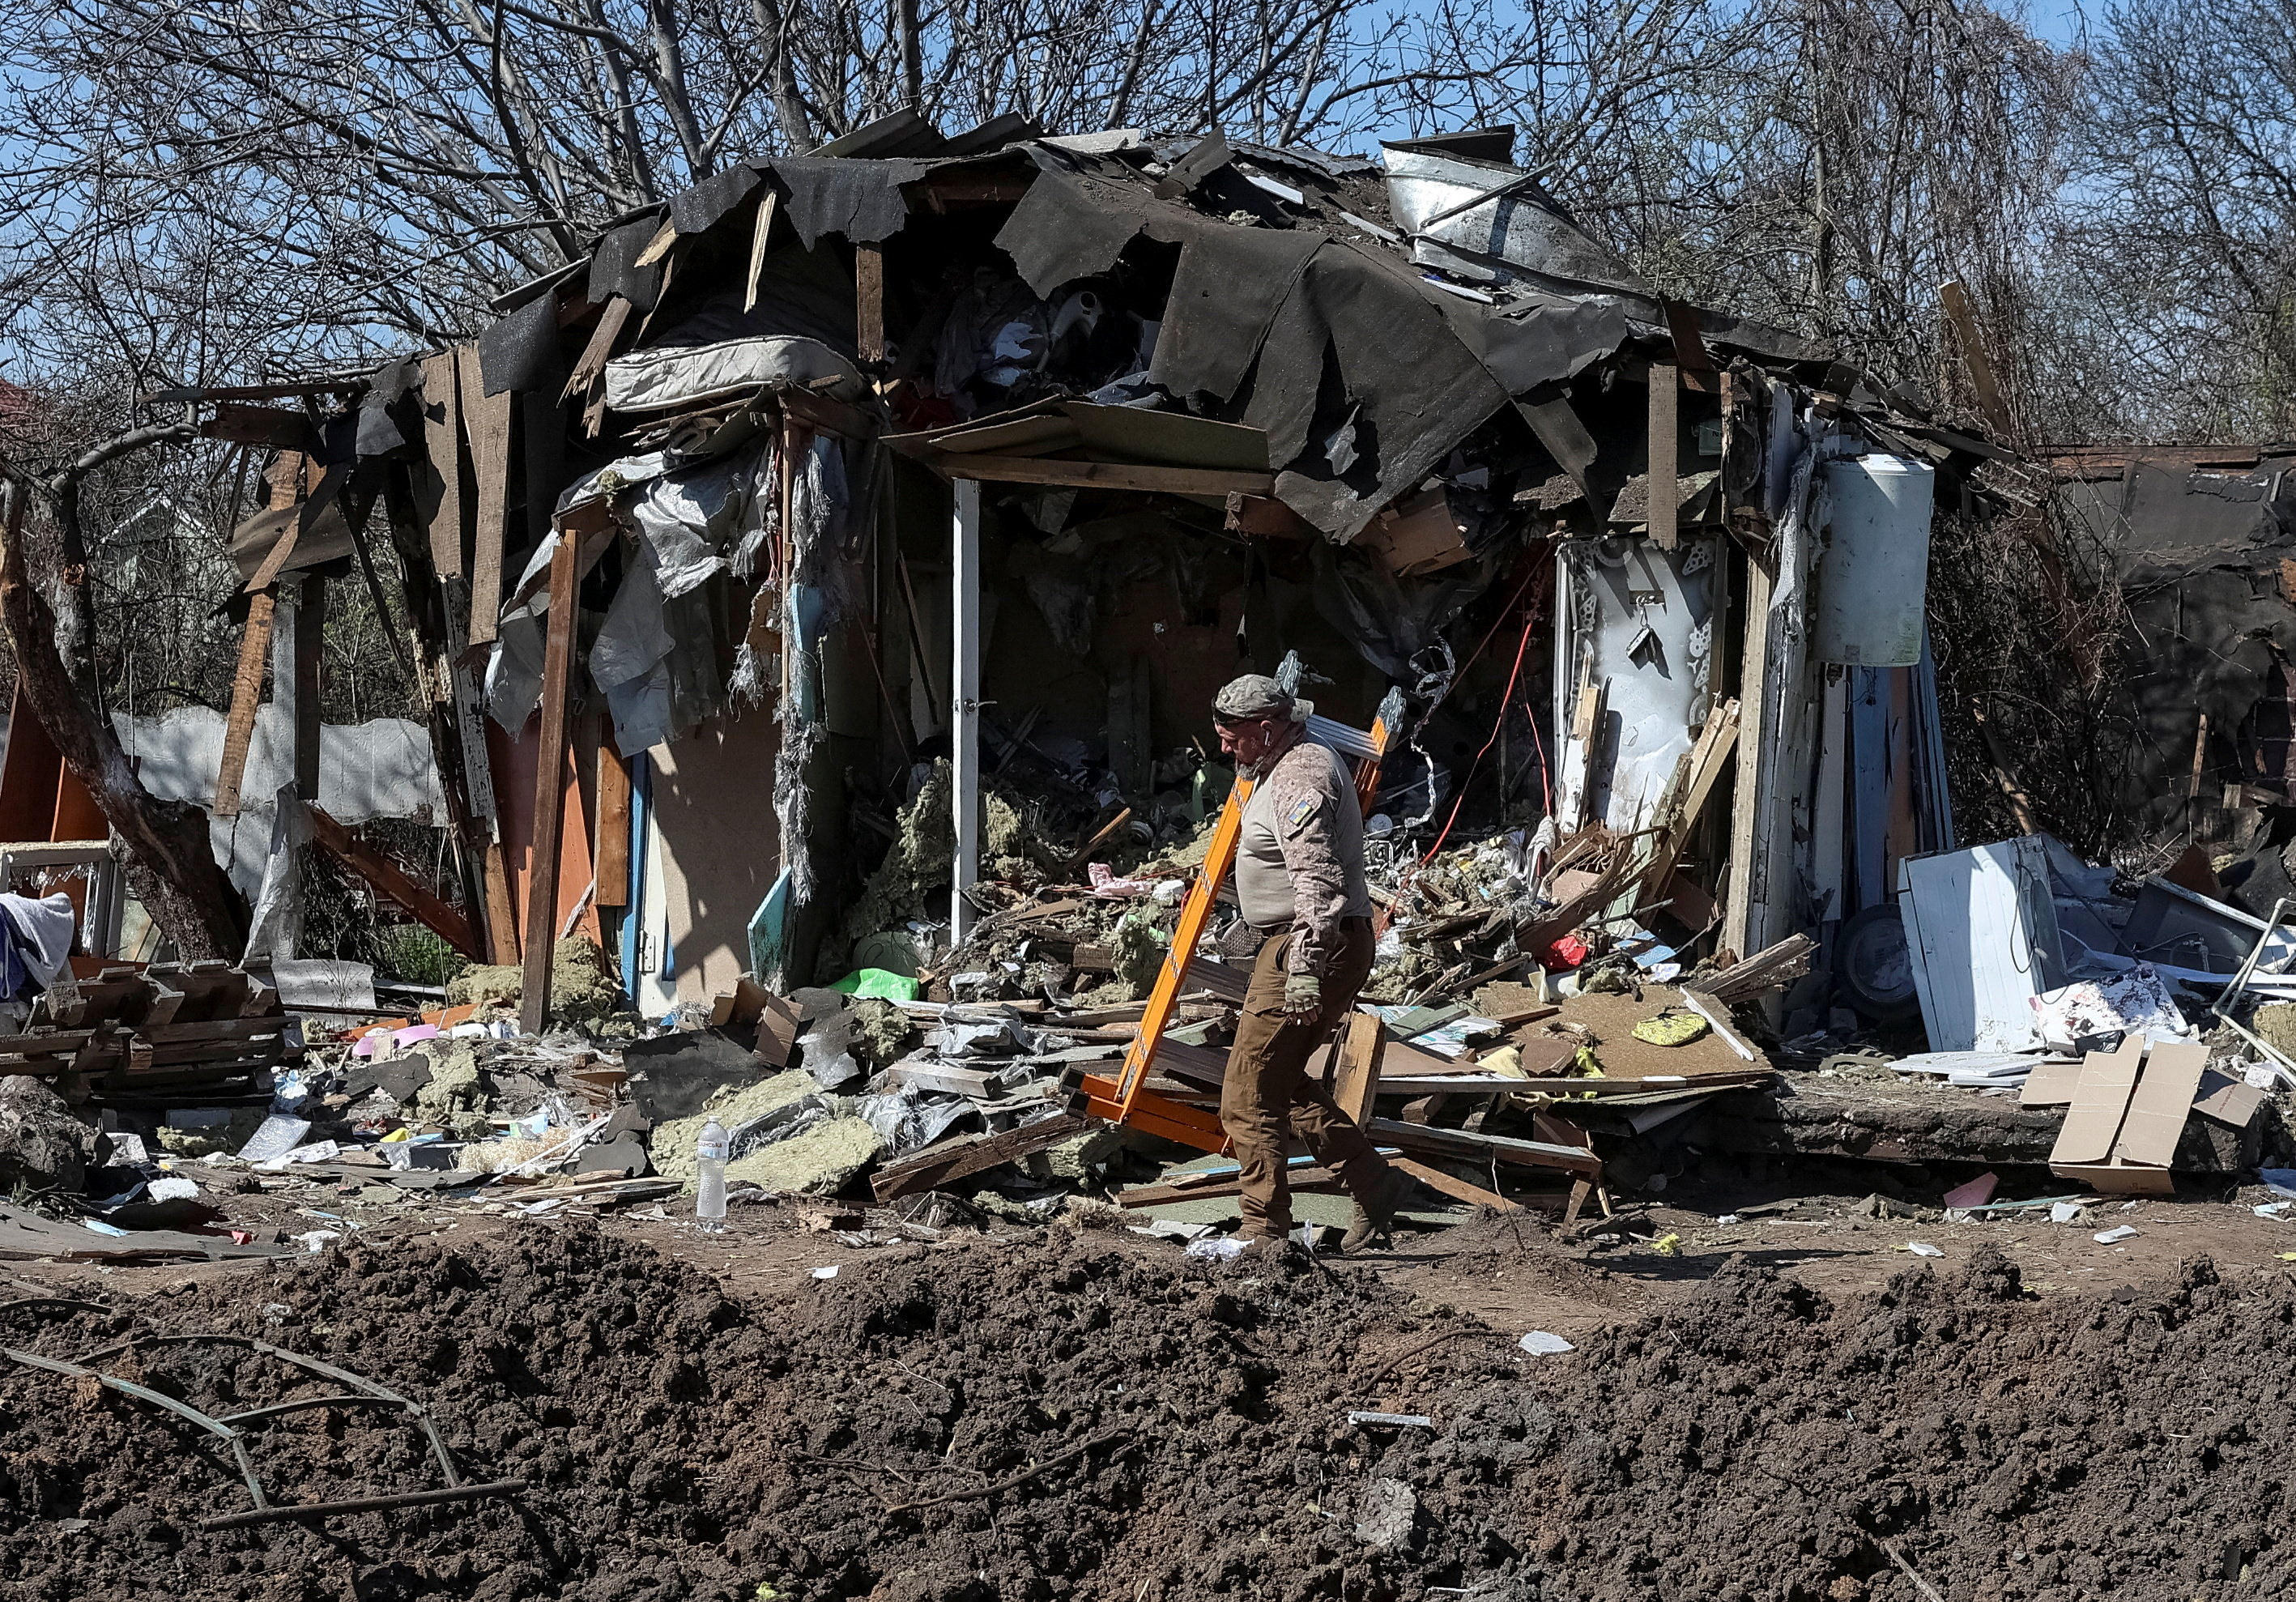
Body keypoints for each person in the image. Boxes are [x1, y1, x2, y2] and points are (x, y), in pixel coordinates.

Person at [1210, 673, 1413, 1252]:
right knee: (1281, 1082)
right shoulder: (1282, 764)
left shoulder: (1299, 774)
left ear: (1265, 728)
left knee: (1247, 1094)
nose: (1225, 748)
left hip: (1310, 943)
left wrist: (1303, 967)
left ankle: (1264, 1233)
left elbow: (1318, 879)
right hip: (1311, 942)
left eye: (1232, 738)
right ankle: (1375, 1185)